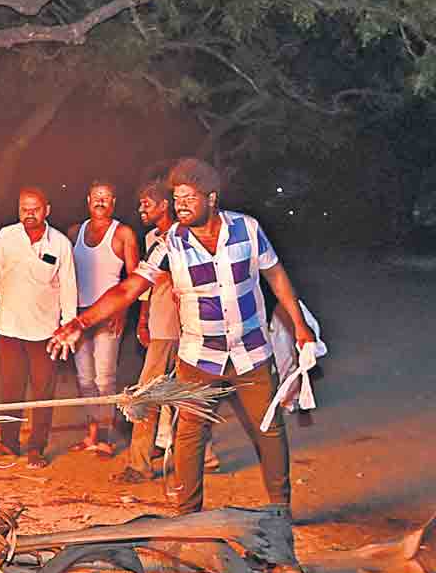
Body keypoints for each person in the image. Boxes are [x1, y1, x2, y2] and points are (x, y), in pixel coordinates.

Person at [48, 157, 315, 517]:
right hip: (199, 357)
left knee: (269, 430)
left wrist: (299, 326)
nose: (181, 205)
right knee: (190, 438)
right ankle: (188, 517)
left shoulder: (248, 230)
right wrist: (79, 323)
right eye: (176, 198)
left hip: (251, 352)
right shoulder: (169, 244)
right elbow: (128, 290)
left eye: (189, 197)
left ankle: (280, 512)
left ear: (212, 198)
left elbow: (276, 276)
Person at [118, 178, 219, 482]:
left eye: (147, 204)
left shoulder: (186, 237)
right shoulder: (153, 238)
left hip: (184, 325)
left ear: (164, 205)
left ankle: (140, 464)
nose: (141, 209)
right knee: (179, 392)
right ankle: (207, 456)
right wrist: (143, 318)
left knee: (148, 393)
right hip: (163, 323)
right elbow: (147, 286)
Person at [0, 187, 77, 469]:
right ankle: (9, 444)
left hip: (45, 331)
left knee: (43, 392)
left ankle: (37, 448)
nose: (28, 214)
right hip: (9, 326)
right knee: (10, 389)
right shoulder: (7, 237)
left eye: (34, 208)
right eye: (23, 208)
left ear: (47, 210)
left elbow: (68, 287)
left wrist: (67, 327)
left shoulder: (59, 244)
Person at [66, 180, 141, 457]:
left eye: (106, 198)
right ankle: (92, 435)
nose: (101, 202)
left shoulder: (123, 234)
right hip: (80, 314)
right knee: (84, 379)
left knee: (105, 378)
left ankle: (106, 437)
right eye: (96, 196)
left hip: (109, 315)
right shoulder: (75, 232)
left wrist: (121, 310)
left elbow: (134, 279)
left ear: (113, 203)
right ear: (88, 200)